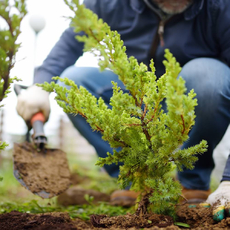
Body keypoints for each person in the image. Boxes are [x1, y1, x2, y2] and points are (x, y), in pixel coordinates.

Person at [16, 0, 230, 221]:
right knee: (69, 83)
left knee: (208, 77)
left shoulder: (221, 7)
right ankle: (134, 178)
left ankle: (192, 182)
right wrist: (39, 85)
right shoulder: (111, 3)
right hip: (135, 98)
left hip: (189, 99)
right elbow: (72, 42)